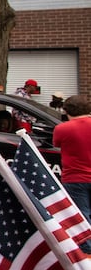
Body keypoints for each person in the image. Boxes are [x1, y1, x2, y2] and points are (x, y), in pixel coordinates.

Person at [52, 95, 91, 254]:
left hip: (74, 178)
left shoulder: (62, 128)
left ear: (66, 110)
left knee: (81, 215)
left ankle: (87, 252)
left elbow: (56, 143)